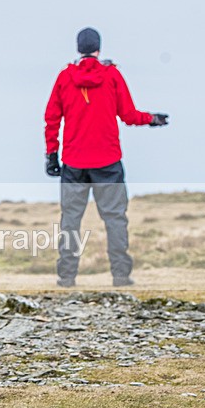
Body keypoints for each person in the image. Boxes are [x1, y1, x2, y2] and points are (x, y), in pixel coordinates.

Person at [44, 27, 169, 288]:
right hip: (108, 162)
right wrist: (152, 120)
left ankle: (66, 277)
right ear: (98, 48)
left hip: (74, 163)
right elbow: (129, 114)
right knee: (114, 218)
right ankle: (121, 276)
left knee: (70, 220)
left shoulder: (65, 77)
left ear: (79, 48)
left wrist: (51, 155)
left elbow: (52, 119)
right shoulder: (112, 75)